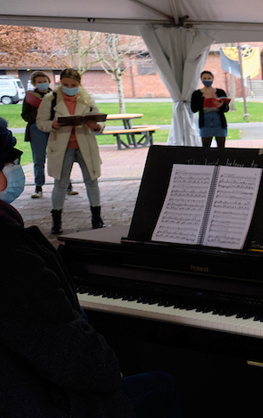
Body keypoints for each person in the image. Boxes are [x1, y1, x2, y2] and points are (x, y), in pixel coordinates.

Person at [0, 119, 183, 418]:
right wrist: (108, 372)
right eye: (9, 161)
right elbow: (64, 351)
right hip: (30, 401)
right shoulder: (9, 249)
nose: (12, 169)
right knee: (162, 386)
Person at [36, 69, 106, 234]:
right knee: (60, 184)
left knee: (92, 181)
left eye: (73, 85)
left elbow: (99, 121)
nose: (69, 88)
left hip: (85, 145)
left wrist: (96, 126)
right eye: (65, 84)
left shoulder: (86, 98)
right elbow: (40, 122)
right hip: (62, 146)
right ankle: (57, 221)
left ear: (79, 84)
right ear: (60, 83)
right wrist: (52, 125)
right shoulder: (50, 100)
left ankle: (97, 218)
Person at [21, 71, 56, 199]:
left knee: (59, 157)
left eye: (44, 81)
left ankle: (65, 183)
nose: (42, 84)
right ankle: (38, 186)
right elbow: (25, 115)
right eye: (39, 82)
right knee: (39, 158)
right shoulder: (30, 97)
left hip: (53, 127)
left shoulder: (55, 96)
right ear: (34, 84)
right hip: (36, 129)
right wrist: (38, 112)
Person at [189, 70, 229, 149]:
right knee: (206, 147)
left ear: (212, 79)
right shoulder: (197, 94)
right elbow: (193, 109)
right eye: (204, 78)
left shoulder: (220, 92)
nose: (207, 80)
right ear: (201, 79)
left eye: (209, 78)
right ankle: (208, 161)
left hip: (219, 121)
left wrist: (221, 105)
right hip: (205, 121)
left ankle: (220, 161)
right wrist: (203, 100)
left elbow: (226, 109)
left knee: (221, 147)